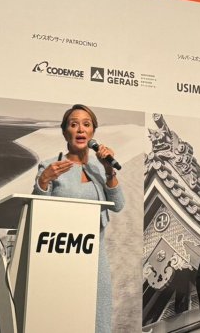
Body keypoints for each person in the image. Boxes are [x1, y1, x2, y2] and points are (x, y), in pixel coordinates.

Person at [33, 104, 125, 333]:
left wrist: (109, 171)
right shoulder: (50, 166)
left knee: (98, 317)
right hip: (61, 255)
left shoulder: (99, 169)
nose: (81, 129)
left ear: (93, 132)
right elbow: (37, 209)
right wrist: (43, 181)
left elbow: (118, 205)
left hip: (96, 256)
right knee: (64, 317)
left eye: (86, 124)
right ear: (65, 132)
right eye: (74, 125)